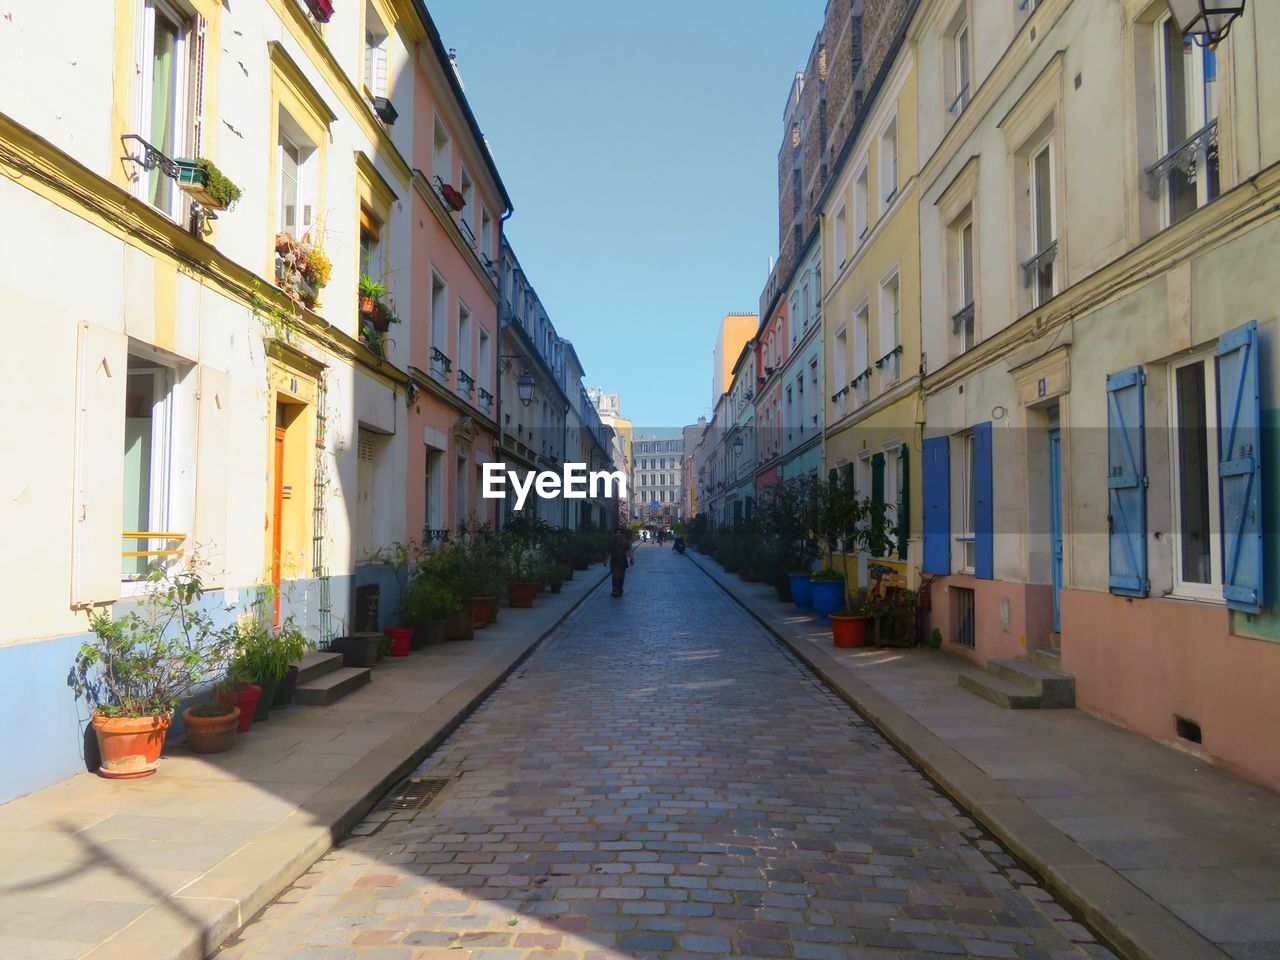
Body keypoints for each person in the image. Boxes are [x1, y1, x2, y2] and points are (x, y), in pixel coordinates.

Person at [606, 529, 633, 597]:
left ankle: (620, 588)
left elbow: (629, 551)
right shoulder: (611, 542)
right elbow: (607, 552)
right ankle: (615, 589)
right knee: (614, 576)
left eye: (620, 533)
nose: (618, 534)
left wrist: (631, 558)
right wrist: (605, 560)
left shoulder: (625, 542)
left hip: (622, 561)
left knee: (621, 576)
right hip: (614, 562)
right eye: (617, 533)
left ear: (622, 534)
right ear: (615, 534)